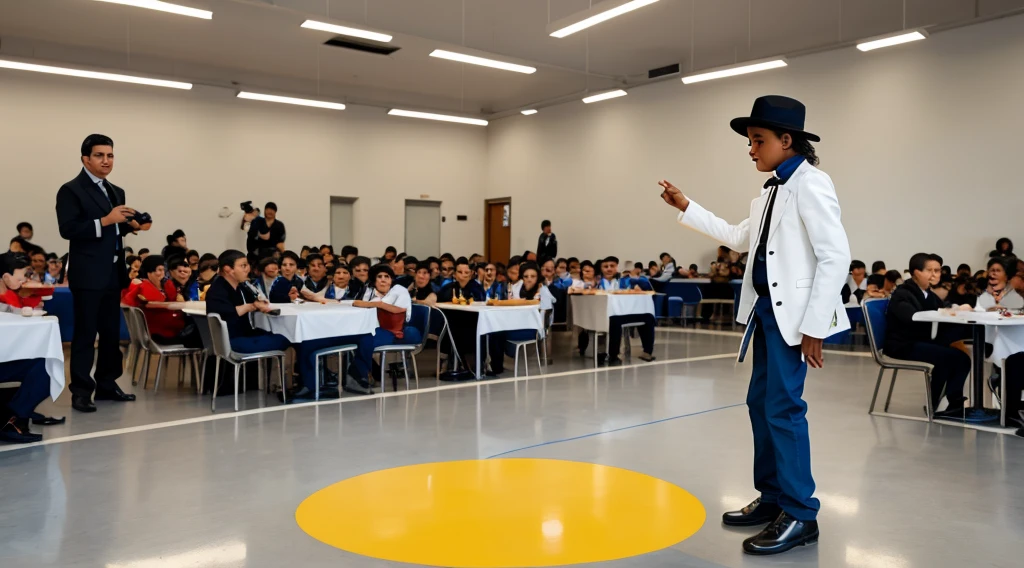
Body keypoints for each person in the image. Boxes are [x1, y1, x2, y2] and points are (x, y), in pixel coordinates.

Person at [660, 95, 851, 555]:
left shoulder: (812, 184)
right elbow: (738, 236)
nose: (751, 149)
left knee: (783, 409)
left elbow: (835, 256)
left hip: (793, 318)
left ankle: (801, 513)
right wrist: (686, 205)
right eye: (750, 141)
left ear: (788, 141)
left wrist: (815, 327)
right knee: (759, 403)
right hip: (765, 313)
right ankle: (772, 498)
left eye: (758, 140)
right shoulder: (770, 190)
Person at [55, 134, 152, 413]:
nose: (106, 161)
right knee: (86, 334)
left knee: (111, 333)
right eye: (99, 155)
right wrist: (106, 220)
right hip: (87, 274)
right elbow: (69, 229)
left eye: (110, 155)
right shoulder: (71, 190)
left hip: (113, 271)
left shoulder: (116, 191)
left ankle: (108, 384)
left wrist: (132, 226)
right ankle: (82, 391)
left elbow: (114, 229)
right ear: (86, 158)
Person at [884, 253, 970, 416]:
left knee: (960, 358)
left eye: (937, 271)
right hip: (902, 345)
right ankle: (943, 404)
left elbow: (942, 306)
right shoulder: (903, 293)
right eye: (930, 270)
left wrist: (956, 308)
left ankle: (947, 404)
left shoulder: (927, 293)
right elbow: (912, 317)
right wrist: (949, 310)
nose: (935, 275)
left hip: (920, 341)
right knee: (952, 358)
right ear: (916, 272)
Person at [351, 264, 422, 378]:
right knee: (354, 338)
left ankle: (360, 376)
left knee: (365, 341)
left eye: (387, 276)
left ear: (391, 280)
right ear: (374, 281)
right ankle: (362, 374)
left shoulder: (399, 290)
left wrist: (377, 304)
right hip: (376, 328)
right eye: (379, 276)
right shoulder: (370, 292)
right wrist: (373, 303)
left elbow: (398, 310)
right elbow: (356, 303)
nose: (383, 279)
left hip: (401, 331)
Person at [583, 257, 656, 364]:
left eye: (612, 266)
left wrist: (634, 279)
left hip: (625, 312)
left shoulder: (624, 281)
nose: (609, 269)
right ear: (601, 268)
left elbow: (645, 286)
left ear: (617, 268)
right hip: (605, 313)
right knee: (615, 320)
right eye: (605, 266)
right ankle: (613, 355)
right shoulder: (597, 283)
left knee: (649, 317)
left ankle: (647, 352)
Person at [123, 256, 201, 348]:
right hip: (160, 333)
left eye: (163, 270)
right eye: (159, 270)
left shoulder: (166, 285)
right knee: (199, 332)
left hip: (169, 329)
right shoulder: (142, 286)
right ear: (149, 272)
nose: (162, 274)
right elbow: (153, 304)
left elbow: (173, 300)